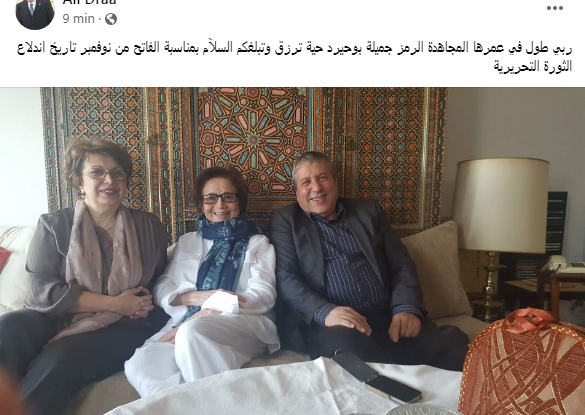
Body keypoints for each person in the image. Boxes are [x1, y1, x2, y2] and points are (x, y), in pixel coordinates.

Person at [0, 137, 168, 415]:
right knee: (7, 328)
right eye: (96, 172)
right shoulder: (54, 225)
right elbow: (43, 292)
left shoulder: (148, 226)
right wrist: (117, 303)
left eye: (117, 173)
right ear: (79, 181)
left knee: (61, 358)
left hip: (124, 326)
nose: (109, 180)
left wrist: (145, 303)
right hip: (56, 316)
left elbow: (157, 282)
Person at [269, 151, 469, 371]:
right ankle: (392, 375)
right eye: (306, 182)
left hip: (388, 317)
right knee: (349, 353)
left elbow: (401, 264)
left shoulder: (368, 212)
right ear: (296, 191)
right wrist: (326, 312)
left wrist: (406, 308)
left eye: (323, 177)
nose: (316, 187)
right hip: (334, 327)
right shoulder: (286, 221)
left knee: (452, 342)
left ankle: (394, 373)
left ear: (335, 182)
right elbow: (286, 277)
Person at [125, 166, 280, 397]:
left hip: (243, 323)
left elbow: (264, 296)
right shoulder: (187, 242)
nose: (220, 204)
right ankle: (192, 404)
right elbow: (161, 288)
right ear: (201, 203)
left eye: (228, 196)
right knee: (140, 364)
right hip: (186, 321)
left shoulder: (257, 243)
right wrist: (193, 298)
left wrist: (213, 307)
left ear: (239, 201)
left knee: (192, 334)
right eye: (210, 197)